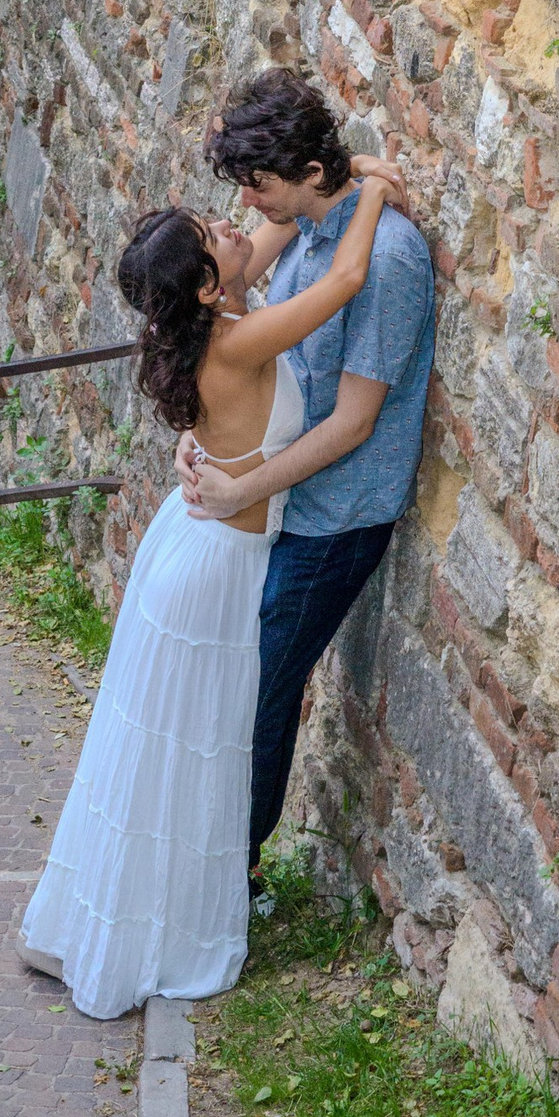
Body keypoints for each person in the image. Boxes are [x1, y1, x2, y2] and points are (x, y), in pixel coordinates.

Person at [19, 147, 406, 1018]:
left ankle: (145, 907)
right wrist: (375, 193)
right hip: (217, 569)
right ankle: (165, 921)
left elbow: (274, 225)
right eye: (214, 235)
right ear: (203, 285)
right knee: (199, 743)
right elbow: (343, 281)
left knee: (171, 742)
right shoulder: (234, 338)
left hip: (190, 545)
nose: (236, 228)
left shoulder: (204, 314)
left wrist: (336, 174)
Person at [178, 67, 436, 906]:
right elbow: (234, 304)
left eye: (258, 183)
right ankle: (211, 861)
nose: (249, 202)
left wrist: (235, 488)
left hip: (334, 519)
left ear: (300, 173)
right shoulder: (313, 228)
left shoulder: (390, 260)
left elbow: (354, 423)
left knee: (261, 689)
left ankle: (231, 883)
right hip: (280, 501)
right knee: (234, 679)